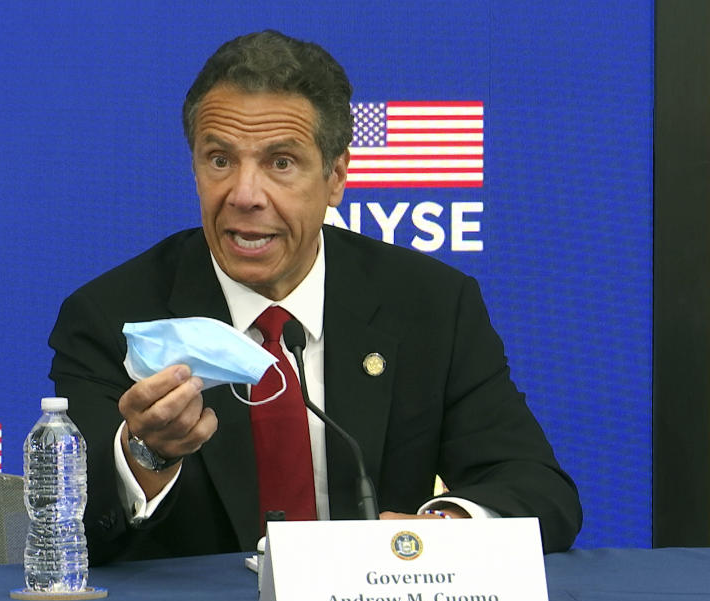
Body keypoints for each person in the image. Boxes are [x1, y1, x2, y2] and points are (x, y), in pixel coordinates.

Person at [49, 30, 582, 565]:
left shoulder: (431, 305)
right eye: (219, 160)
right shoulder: (113, 315)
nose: (245, 195)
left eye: (281, 163)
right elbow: (69, 528)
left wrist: (444, 530)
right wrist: (146, 454)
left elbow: (537, 489)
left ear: (336, 177)